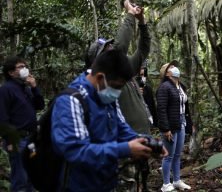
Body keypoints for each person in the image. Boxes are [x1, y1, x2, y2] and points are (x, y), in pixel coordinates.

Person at [51, 50, 166, 191]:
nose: (117, 92)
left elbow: (121, 127)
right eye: (117, 86)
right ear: (100, 78)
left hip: (105, 181)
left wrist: (145, 142)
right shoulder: (71, 101)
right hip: (78, 185)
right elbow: (76, 151)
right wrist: (125, 149)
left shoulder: (106, 96)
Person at [0, 56, 45, 192]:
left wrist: (34, 87)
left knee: (31, 176)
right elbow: (2, 117)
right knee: (21, 178)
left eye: (25, 66)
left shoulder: (26, 88)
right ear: (11, 72)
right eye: (20, 67)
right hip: (17, 140)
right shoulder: (5, 90)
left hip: (31, 138)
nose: (24, 69)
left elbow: (40, 105)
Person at [157, 61, 192, 192]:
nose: (175, 68)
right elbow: (161, 109)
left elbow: (185, 107)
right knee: (169, 155)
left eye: (174, 66)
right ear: (167, 74)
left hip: (181, 122)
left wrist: (190, 123)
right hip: (170, 125)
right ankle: (166, 184)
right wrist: (165, 129)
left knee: (177, 154)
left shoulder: (180, 86)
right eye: (171, 67)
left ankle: (176, 180)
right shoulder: (165, 87)